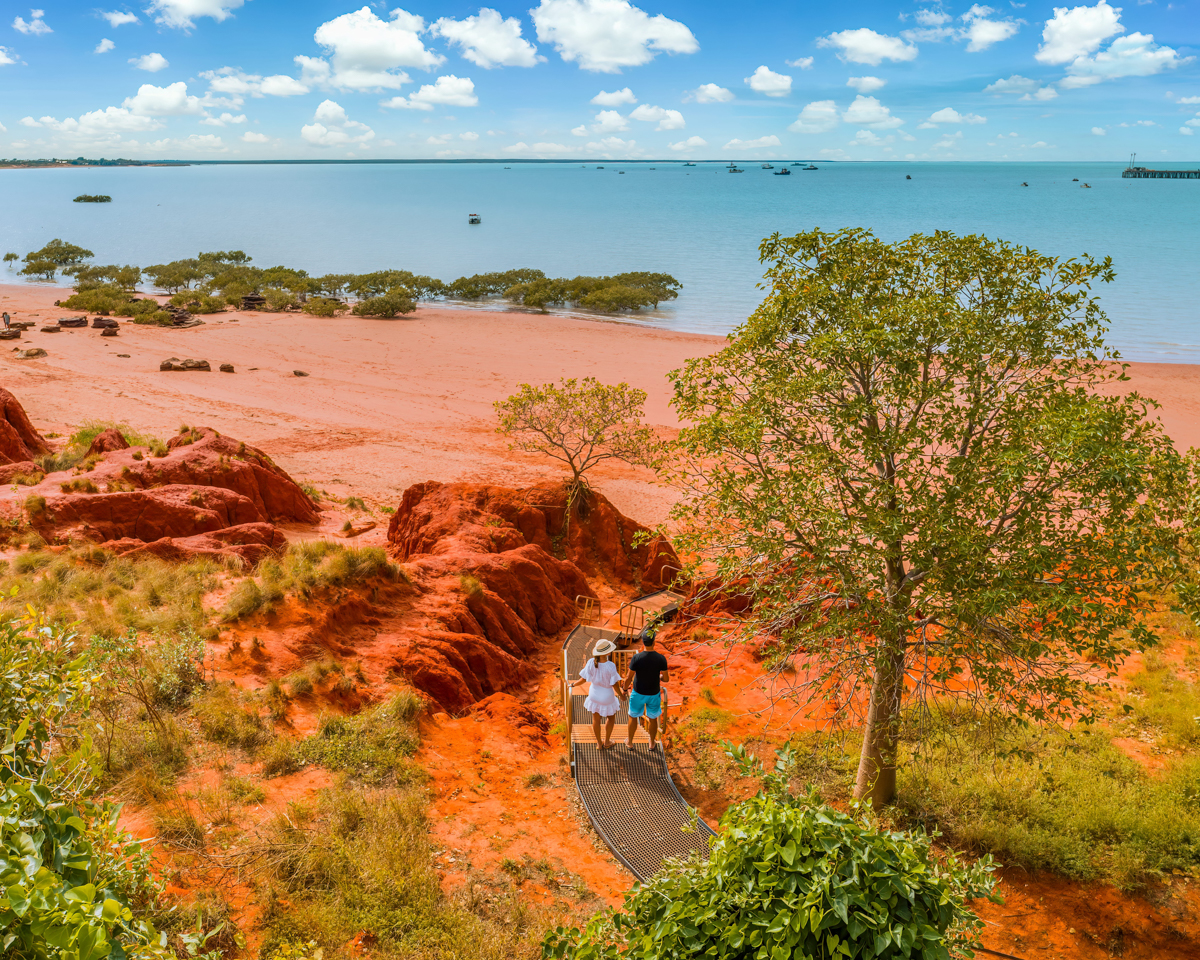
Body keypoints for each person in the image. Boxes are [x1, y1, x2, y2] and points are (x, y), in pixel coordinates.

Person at [568, 639, 622, 750]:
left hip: (594, 695)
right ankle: (607, 742)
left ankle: (599, 743)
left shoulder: (591, 662)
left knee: (596, 720)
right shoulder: (611, 666)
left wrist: (573, 685)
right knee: (611, 718)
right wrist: (621, 695)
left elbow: (583, 679)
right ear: (607, 652)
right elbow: (615, 684)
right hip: (607, 696)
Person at [621, 633, 669, 751]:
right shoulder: (661, 658)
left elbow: (628, 677)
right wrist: (659, 677)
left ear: (643, 642)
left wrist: (624, 689)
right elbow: (666, 678)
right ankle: (652, 743)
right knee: (653, 718)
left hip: (638, 693)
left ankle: (630, 742)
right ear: (654, 642)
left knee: (633, 716)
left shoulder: (637, 658)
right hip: (653, 693)